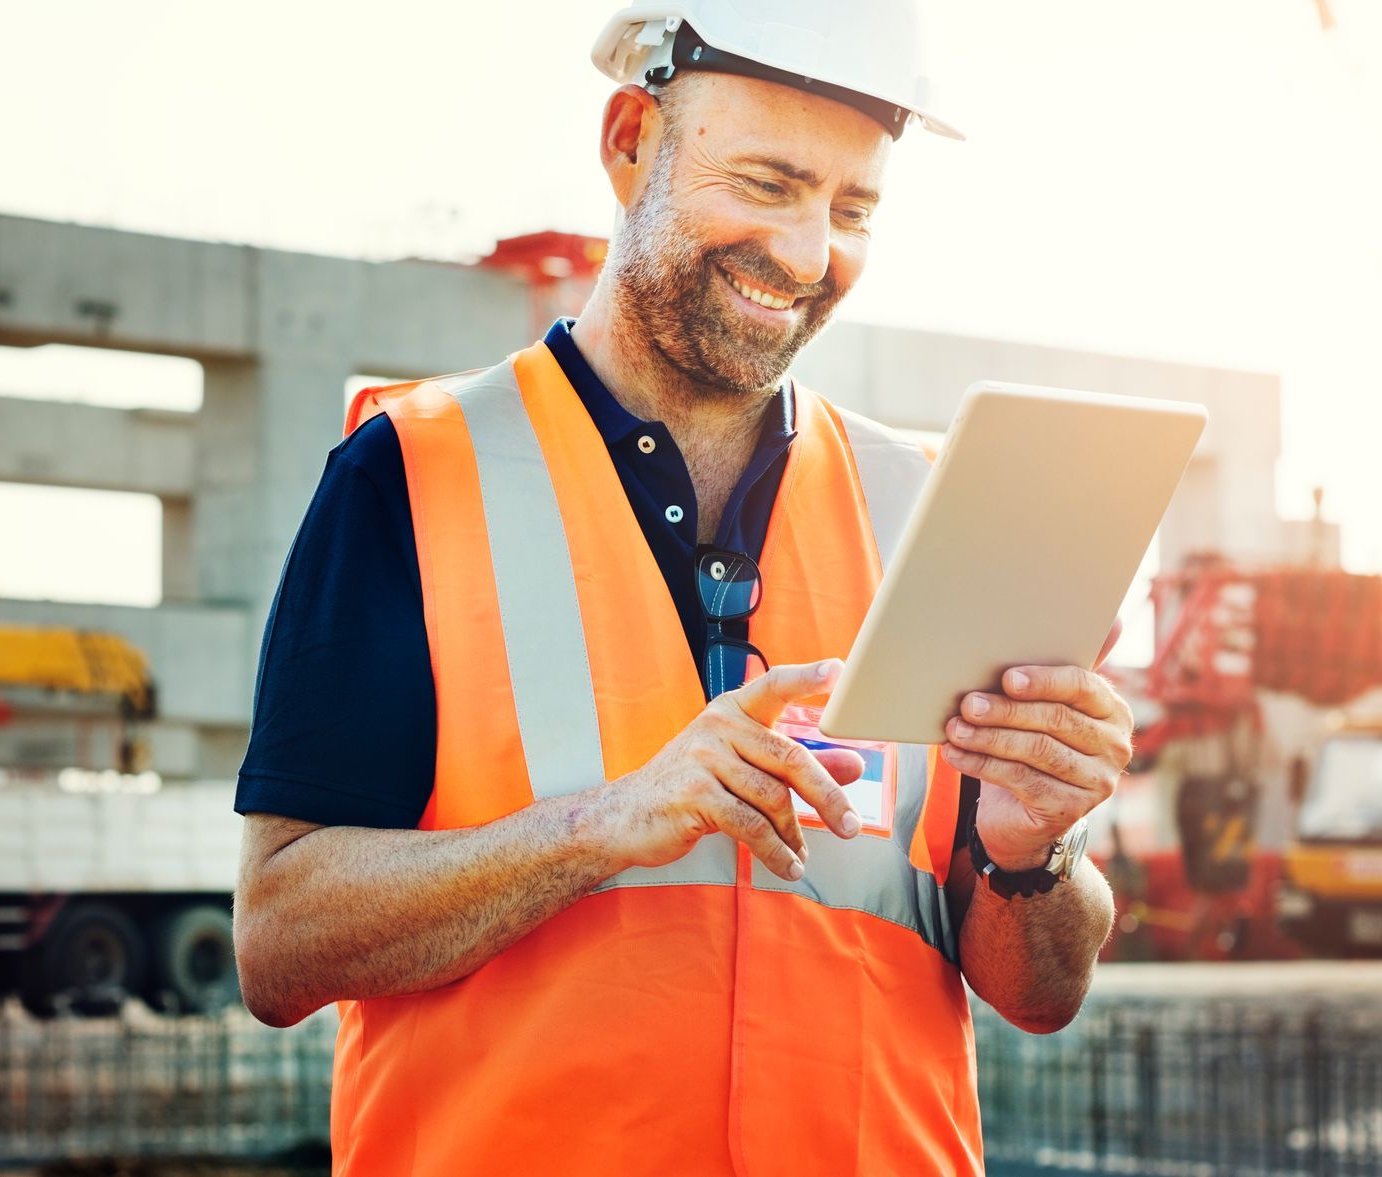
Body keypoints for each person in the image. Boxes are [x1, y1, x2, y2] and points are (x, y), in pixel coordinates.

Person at [232, 2, 1134, 1173]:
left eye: (851, 208)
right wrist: (605, 825)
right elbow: (280, 943)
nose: (810, 255)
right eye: (766, 183)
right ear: (629, 142)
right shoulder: (413, 470)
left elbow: (1041, 991)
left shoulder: (921, 509)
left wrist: (1031, 851)